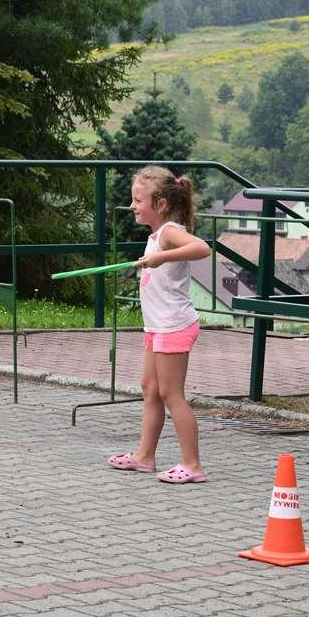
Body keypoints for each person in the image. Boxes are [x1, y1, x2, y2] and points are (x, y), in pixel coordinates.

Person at [108, 166, 211, 484]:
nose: (132, 206)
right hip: (157, 326)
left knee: (171, 394)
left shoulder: (168, 232)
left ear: (161, 204)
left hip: (173, 325)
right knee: (150, 389)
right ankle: (144, 457)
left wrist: (161, 258)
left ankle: (192, 465)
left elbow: (202, 248)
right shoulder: (157, 235)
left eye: (138, 200)